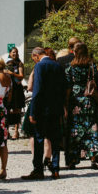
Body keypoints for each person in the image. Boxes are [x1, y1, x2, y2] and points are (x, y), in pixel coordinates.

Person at [21, 45, 66, 180]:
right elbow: (63, 87)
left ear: (36, 56)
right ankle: (56, 168)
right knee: (55, 138)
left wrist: (33, 112)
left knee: (39, 138)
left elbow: (38, 90)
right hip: (56, 108)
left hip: (42, 109)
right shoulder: (57, 66)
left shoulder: (40, 66)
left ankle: (38, 169)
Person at [64, 42, 98, 169]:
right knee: (92, 129)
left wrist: (66, 103)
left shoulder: (70, 67)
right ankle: (93, 157)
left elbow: (68, 87)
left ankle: (73, 159)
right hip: (89, 100)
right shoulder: (92, 66)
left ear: (74, 52)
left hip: (75, 100)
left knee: (75, 130)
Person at [5, 47, 26, 139]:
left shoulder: (19, 63)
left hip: (17, 89)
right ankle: (7, 132)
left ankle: (16, 132)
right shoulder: (6, 64)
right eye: (13, 52)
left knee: (17, 110)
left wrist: (12, 73)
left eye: (16, 52)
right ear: (10, 53)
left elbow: (21, 76)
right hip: (9, 89)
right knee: (7, 110)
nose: (15, 54)